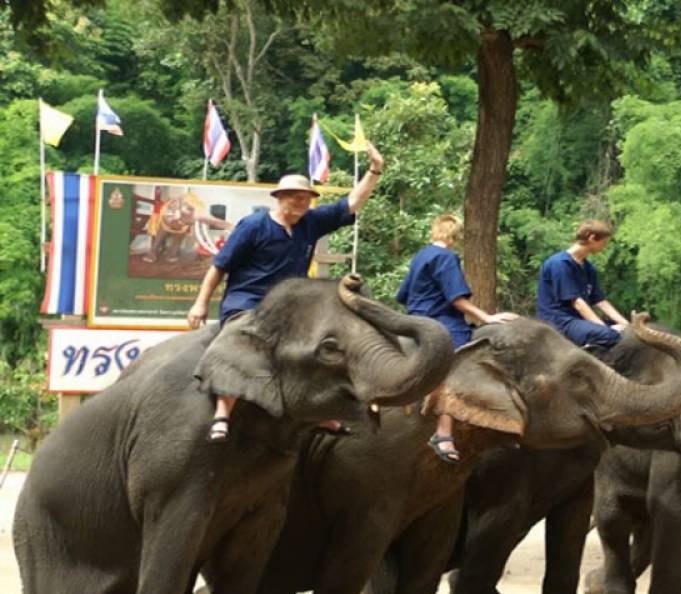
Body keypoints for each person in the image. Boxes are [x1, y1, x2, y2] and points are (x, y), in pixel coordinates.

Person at [186, 142, 386, 442]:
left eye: (306, 197)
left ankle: (322, 413)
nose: (301, 202)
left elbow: (351, 204)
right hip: (248, 304)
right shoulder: (254, 226)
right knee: (240, 341)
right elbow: (219, 266)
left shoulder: (309, 224)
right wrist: (200, 304)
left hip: (290, 309)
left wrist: (374, 170)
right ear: (279, 198)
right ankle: (222, 412)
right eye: (295, 196)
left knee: (320, 348)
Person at [397, 213, 519, 463]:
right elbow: (456, 298)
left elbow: (403, 295)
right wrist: (487, 318)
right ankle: (444, 432)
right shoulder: (446, 257)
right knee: (464, 365)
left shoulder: (421, 256)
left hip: (414, 321)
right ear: (456, 236)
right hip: (441, 323)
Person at [535, 220, 629, 349]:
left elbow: (600, 301)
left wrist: (625, 324)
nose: (605, 247)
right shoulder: (560, 264)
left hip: (578, 321)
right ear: (592, 238)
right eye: (604, 243)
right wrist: (602, 328)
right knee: (609, 335)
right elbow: (577, 303)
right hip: (559, 321)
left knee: (626, 332)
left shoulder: (588, 268)